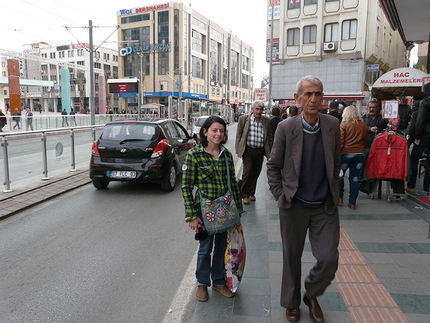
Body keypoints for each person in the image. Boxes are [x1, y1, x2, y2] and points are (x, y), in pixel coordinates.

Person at [266, 75, 341, 323]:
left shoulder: (332, 124)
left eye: (318, 93)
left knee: (329, 258)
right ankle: (291, 302)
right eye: (308, 94)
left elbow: (336, 162)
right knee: (291, 257)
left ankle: (311, 294)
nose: (313, 99)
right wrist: (280, 195)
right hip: (294, 205)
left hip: (324, 206)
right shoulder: (286, 128)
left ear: (323, 98)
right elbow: (273, 166)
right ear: (297, 98)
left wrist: (335, 191)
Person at [182, 115, 243, 302]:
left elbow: (233, 184)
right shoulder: (194, 155)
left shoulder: (226, 155)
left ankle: (218, 282)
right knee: (205, 248)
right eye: (214, 130)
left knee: (220, 249)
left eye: (221, 131)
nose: (218, 134)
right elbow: (186, 187)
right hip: (204, 210)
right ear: (205, 132)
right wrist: (192, 216)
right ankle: (202, 284)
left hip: (224, 210)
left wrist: (238, 211)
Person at [235, 100, 273, 204]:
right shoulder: (244, 119)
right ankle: (244, 194)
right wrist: (238, 149)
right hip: (248, 150)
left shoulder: (266, 120)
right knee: (247, 171)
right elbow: (239, 134)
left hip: (260, 150)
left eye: (261, 109)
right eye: (257, 109)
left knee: (256, 172)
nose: (259, 111)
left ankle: (251, 193)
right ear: (252, 109)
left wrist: (270, 150)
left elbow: (269, 136)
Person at [338, 105, 368, 210]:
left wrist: (337, 153)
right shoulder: (363, 125)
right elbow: (365, 141)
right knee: (354, 178)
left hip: (345, 154)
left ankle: (340, 198)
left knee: (340, 176)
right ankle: (352, 202)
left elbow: (341, 141)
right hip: (359, 154)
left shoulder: (343, 125)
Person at [406, 84, 430, 195]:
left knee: (414, 159)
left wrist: (417, 136)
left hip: (424, 134)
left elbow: (420, 120)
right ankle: (427, 189)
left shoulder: (424, 103)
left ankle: (411, 186)